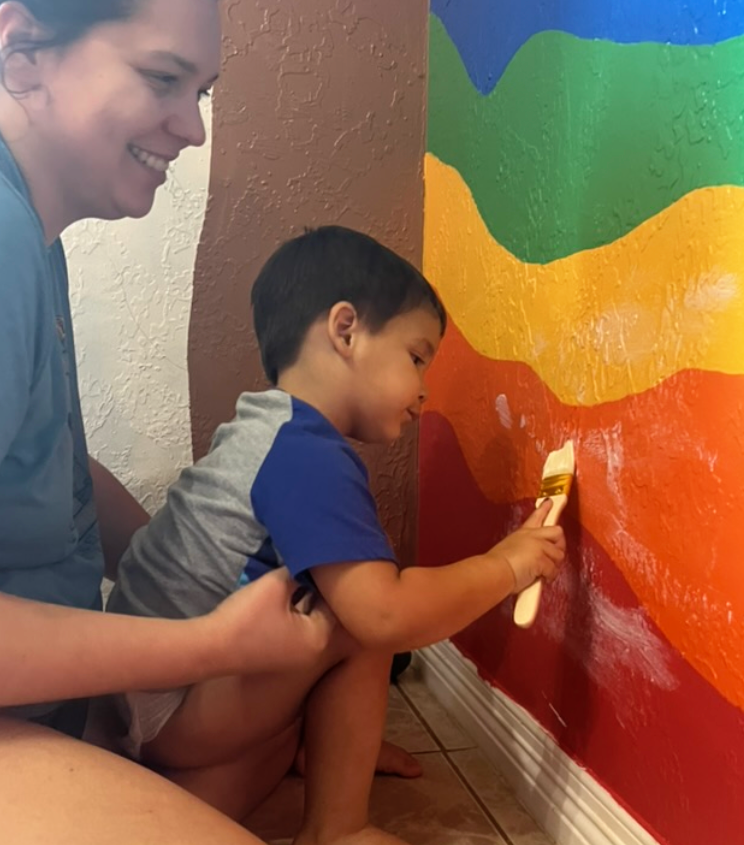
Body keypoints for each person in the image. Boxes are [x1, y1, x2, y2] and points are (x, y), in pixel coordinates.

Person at [0, 0, 336, 843]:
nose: (192, 128)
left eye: (199, 91)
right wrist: (205, 640)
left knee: (271, 744)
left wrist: (181, 552)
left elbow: (45, 474)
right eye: (163, 78)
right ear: (24, 47)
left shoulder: (20, 222)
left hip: (25, 695)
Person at [108, 226, 567, 845]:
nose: (426, 390)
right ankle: (338, 829)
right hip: (175, 709)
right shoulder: (306, 451)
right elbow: (384, 613)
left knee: (336, 607)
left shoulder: (267, 429)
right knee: (361, 615)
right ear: (345, 330)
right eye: (416, 356)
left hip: (146, 702)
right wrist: (507, 567)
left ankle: (309, 748)